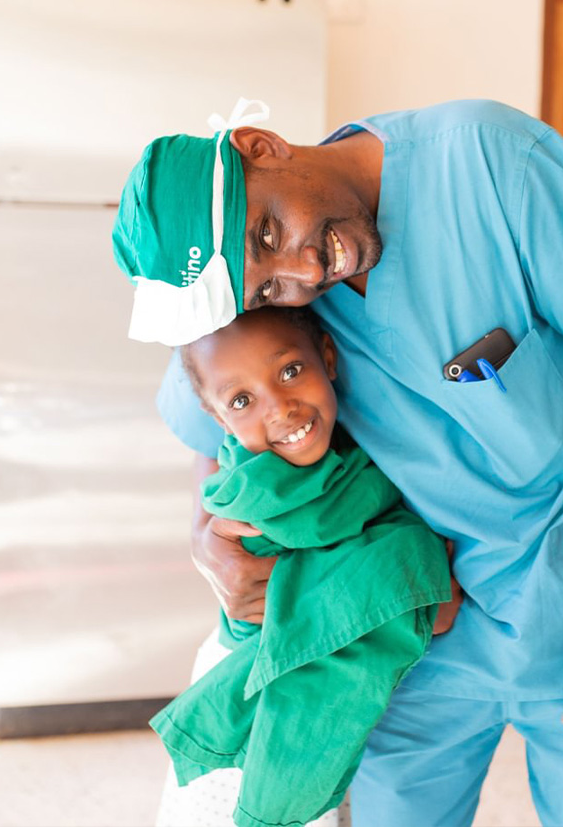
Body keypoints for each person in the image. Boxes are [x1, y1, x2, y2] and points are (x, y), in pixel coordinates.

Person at [114, 97, 563, 827]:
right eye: (266, 286)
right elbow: (214, 424)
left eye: (270, 230)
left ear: (261, 147)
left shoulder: (492, 164)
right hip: (409, 635)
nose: (301, 268)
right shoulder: (267, 295)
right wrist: (208, 539)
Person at [150, 305, 452, 827]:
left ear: (327, 358)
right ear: (219, 421)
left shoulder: (356, 468)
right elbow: (429, 607)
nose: (281, 408)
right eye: (242, 401)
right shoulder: (256, 499)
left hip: (333, 706)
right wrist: (416, 566)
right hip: (261, 702)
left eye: (290, 371)